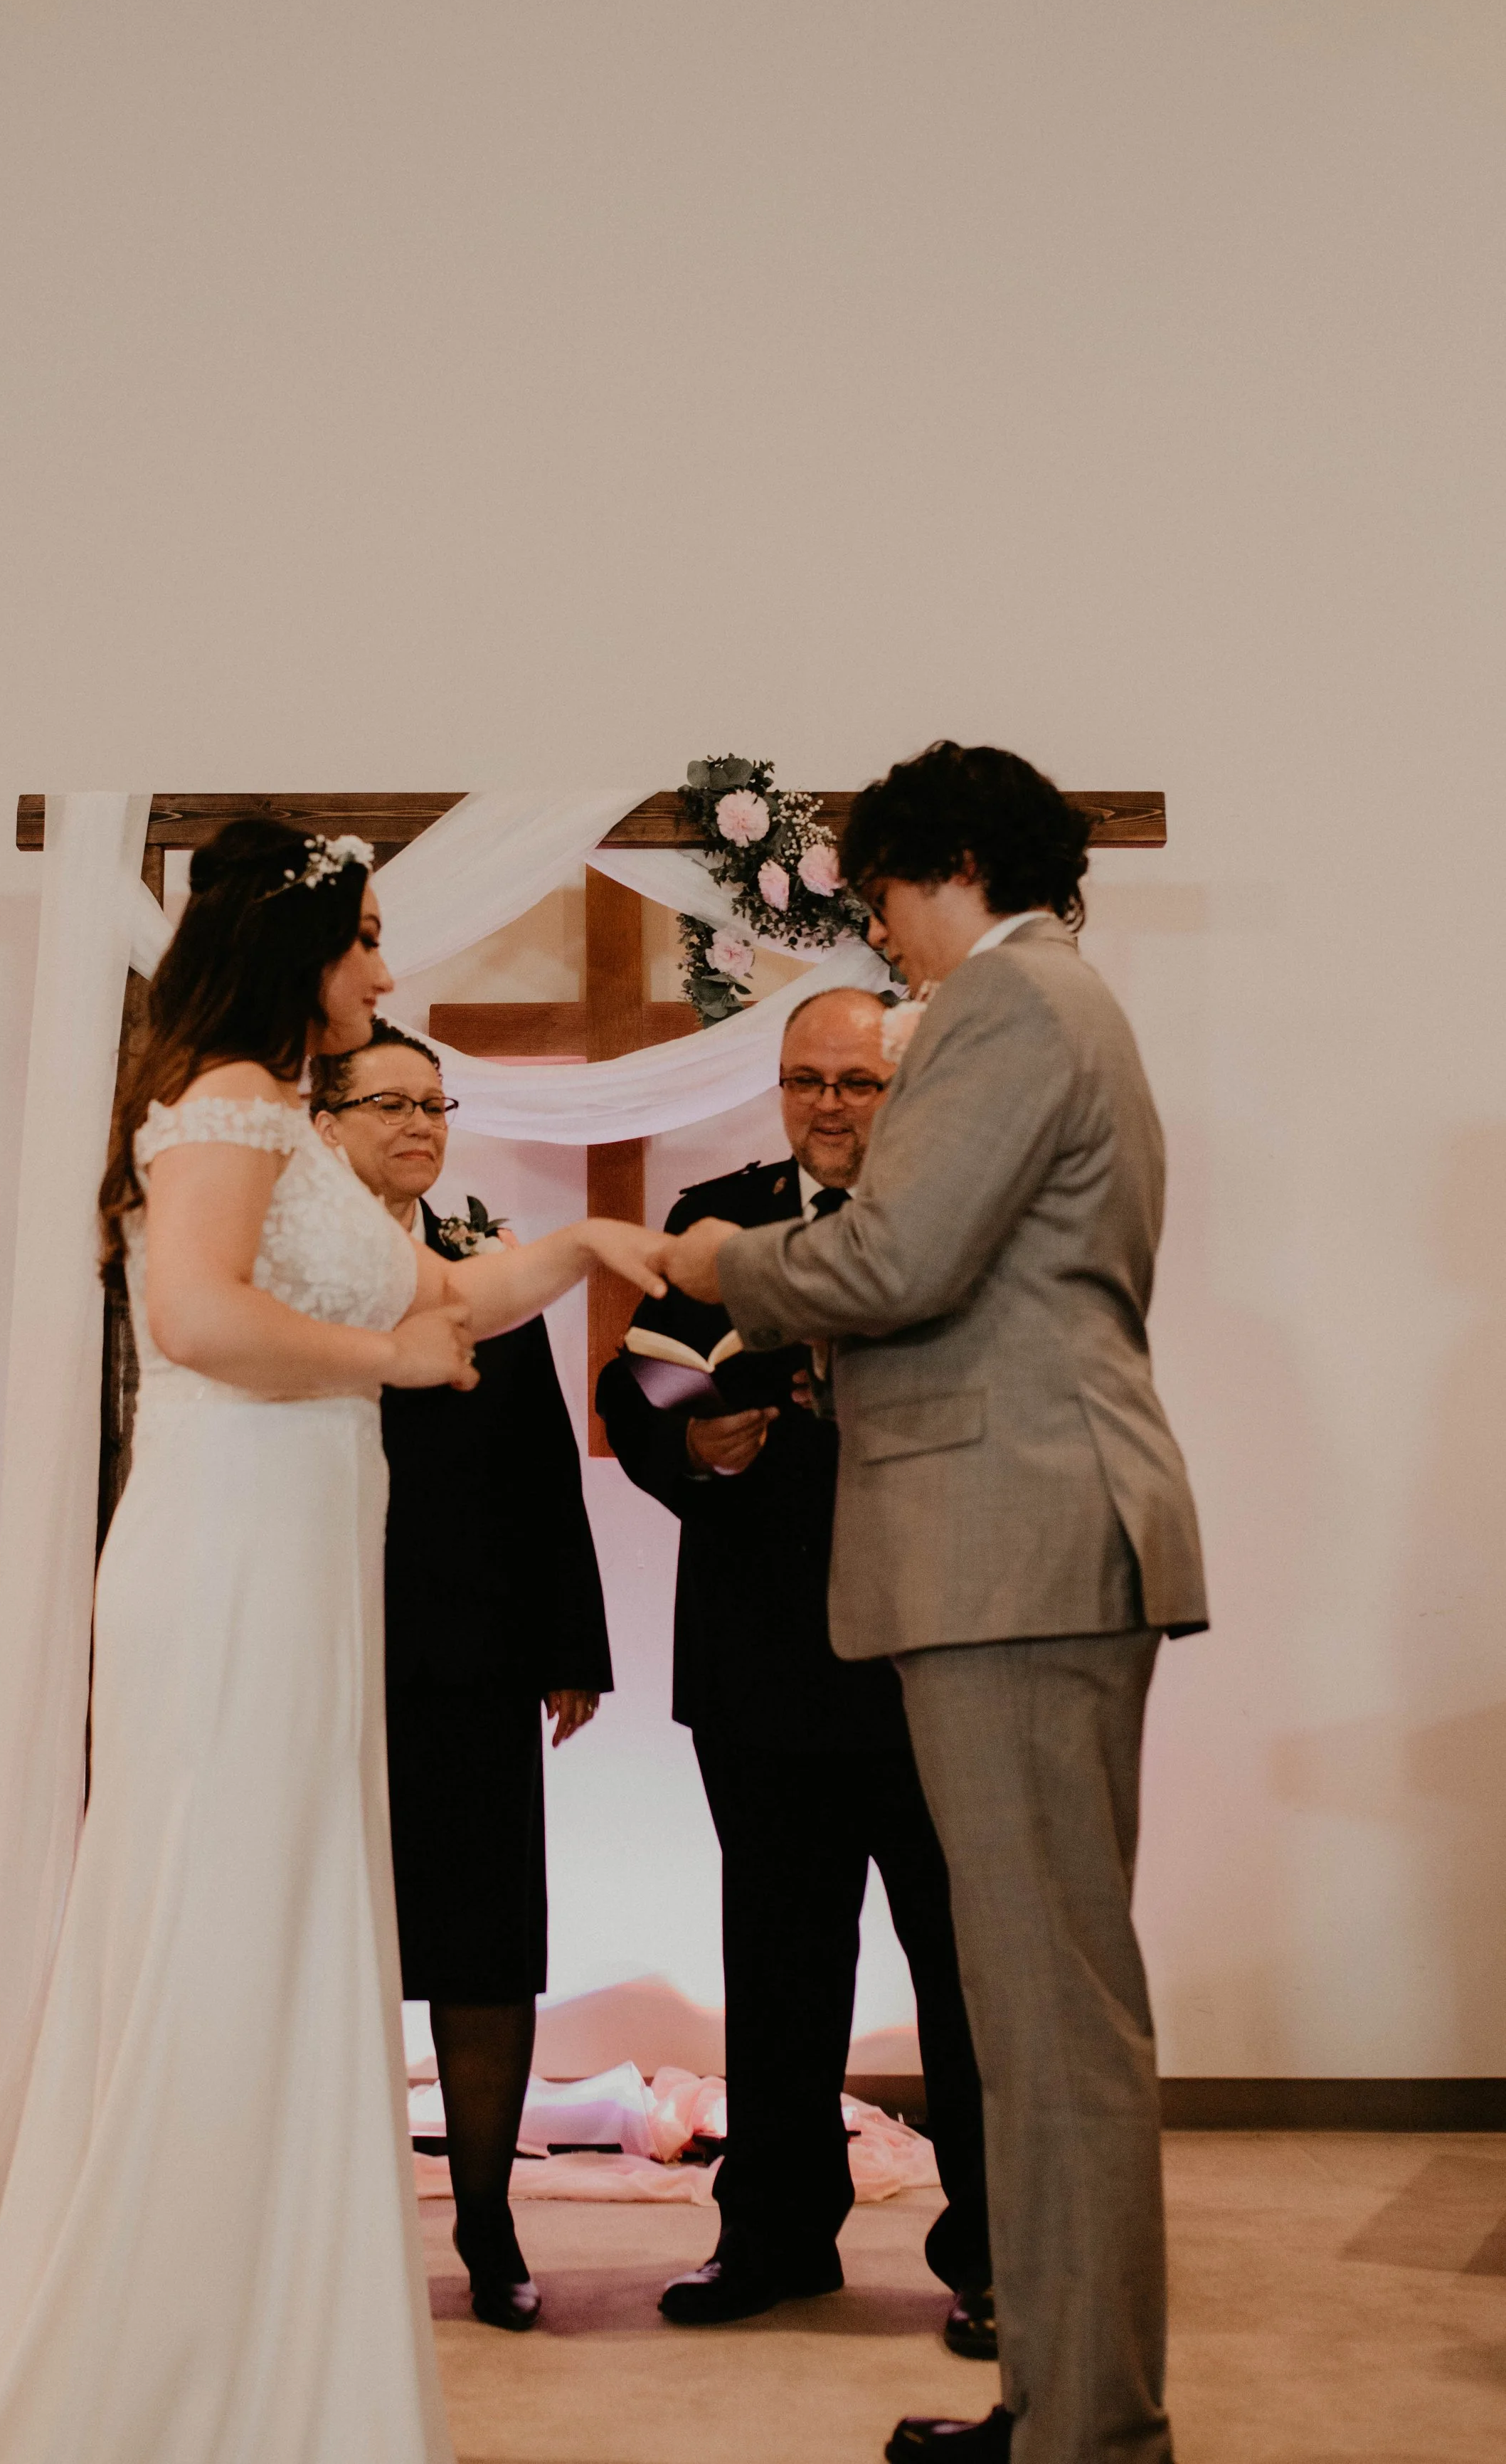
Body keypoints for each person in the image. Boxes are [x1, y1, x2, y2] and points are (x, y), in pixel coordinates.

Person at [0, 819, 667, 2464]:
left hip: (299, 1561)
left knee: (292, 1922)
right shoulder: (232, 1107)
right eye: (366, 938)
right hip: (231, 1561)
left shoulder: (294, 1131)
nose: (385, 970)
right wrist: (385, 1370)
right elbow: (193, 1314)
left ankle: (272, 2335)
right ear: (295, 947)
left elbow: (440, 1301)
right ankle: (187, 2336)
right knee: (228, 1919)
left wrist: (582, 1249)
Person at [662, 743, 1207, 2464]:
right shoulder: (1054, 1005)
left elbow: (896, 1263)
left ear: (952, 863)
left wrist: (709, 1267)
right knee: (1042, 2022)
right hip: (1027, 1539)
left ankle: (1091, 2432)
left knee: (1051, 2029)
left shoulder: (1004, 1004)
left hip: (1015, 1545)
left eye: (884, 899)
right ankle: (1057, 2400)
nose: (883, 942)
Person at [595, 987, 992, 2354]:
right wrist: (686, 1445)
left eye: (860, 1083)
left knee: (964, 1971)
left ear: (908, 1088)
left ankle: (996, 2256)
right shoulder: (720, 1213)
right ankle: (771, 2237)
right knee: (773, 1970)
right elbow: (632, 1380)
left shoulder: (965, 1209)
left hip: (932, 1657)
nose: (829, 1104)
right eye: (805, 1079)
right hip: (762, 1661)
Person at [319, 1018, 613, 2335]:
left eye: (436, 1104)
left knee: (486, 1952)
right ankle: (328, 2224)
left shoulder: (483, 1273)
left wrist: (570, 1647)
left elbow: (544, 1475)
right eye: (390, 1101)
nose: (421, 1125)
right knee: (325, 1947)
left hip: (476, 1658)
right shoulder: (290, 1277)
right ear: (321, 1118)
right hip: (322, 1655)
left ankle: (489, 2221)